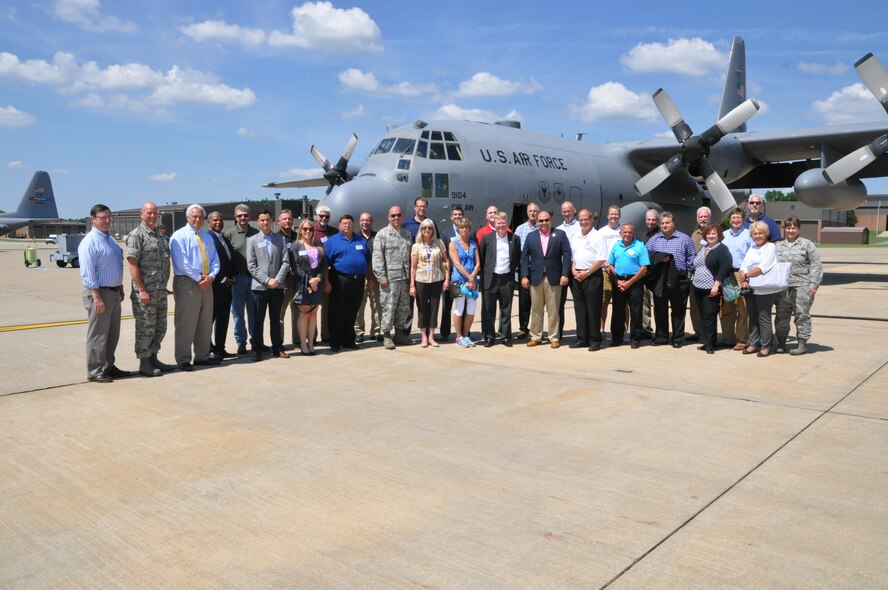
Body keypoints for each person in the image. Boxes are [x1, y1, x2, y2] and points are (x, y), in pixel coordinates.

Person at [79, 204, 130, 383]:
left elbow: (114, 265)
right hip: (99, 293)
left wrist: (120, 287)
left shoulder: (110, 240)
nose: (107, 221)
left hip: (113, 292)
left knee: (112, 334)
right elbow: (87, 272)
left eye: (109, 217)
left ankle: (108, 366)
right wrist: (97, 296)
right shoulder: (89, 242)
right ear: (93, 219)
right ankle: (95, 370)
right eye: (103, 218)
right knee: (98, 334)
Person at [125, 201, 173, 377]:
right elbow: (132, 264)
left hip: (160, 290)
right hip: (145, 292)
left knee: (160, 326)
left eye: (155, 213)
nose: (152, 216)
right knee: (146, 327)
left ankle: (154, 357)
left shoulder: (158, 235)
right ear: (141, 214)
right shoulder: (137, 235)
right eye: (149, 213)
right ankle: (144, 362)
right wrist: (142, 289)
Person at [170, 204, 220, 371]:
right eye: (194, 217)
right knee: (186, 322)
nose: (198, 219)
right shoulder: (179, 236)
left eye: (200, 217)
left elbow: (215, 260)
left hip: (207, 282)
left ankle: (202, 356)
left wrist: (211, 276)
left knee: (205, 321)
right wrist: (199, 278)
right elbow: (182, 262)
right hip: (188, 282)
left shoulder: (207, 237)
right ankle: (183, 358)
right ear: (187, 218)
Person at [521, 210, 572, 348]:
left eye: (546, 220)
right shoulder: (531, 236)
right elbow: (524, 257)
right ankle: (536, 336)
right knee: (536, 309)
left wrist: (565, 274)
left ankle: (553, 337)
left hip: (554, 277)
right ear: (537, 222)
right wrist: (524, 276)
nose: (544, 223)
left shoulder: (560, 234)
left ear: (551, 220)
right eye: (541, 220)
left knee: (553, 309)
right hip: (535, 277)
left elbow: (567, 255)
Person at [646, 211, 696, 348]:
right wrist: (659, 257)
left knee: (678, 310)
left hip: (680, 280)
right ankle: (661, 336)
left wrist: (689, 276)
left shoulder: (685, 239)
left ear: (674, 223)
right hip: (660, 279)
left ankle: (677, 338)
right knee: (660, 309)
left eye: (667, 222)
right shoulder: (654, 239)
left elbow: (692, 258)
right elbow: (646, 255)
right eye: (662, 223)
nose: (664, 225)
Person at [247, 210, 291, 361]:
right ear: (258, 222)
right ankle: (257, 350)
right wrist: (266, 280)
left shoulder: (281, 240)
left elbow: (285, 262)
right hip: (260, 287)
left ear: (272, 221)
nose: (265, 223)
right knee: (258, 320)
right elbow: (251, 265)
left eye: (268, 220)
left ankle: (277, 348)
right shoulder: (252, 240)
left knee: (275, 319)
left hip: (277, 287)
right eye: (262, 220)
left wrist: (277, 279)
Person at [775, 216, 823, 355]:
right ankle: (781, 342)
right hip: (783, 288)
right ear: (784, 229)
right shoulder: (779, 246)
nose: (791, 230)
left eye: (794, 227)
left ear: (799, 229)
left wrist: (814, 286)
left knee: (801, 315)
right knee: (781, 316)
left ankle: (802, 343)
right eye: (788, 227)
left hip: (802, 286)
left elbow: (816, 266)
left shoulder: (807, 245)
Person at [325, 214, 373, 351]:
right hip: (340, 280)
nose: (347, 225)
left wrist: (370, 278)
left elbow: (368, 261)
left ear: (353, 225)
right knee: (336, 312)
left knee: (352, 312)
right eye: (344, 223)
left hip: (358, 281)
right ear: (340, 226)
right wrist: (327, 282)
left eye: (349, 223)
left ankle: (348, 340)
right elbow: (325, 265)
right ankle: (335, 341)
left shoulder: (360, 240)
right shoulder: (332, 241)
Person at [739, 221, 784, 357]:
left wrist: (746, 275)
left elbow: (763, 268)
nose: (757, 236)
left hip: (765, 289)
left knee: (764, 317)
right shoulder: (752, 248)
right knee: (752, 317)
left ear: (766, 234)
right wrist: (743, 278)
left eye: (760, 233)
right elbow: (743, 266)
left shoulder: (770, 247)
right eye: (755, 234)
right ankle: (753, 344)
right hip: (751, 287)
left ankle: (765, 346)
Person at [372, 206, 413, 349]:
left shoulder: (407, 234)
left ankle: (400, 333)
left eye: (398, 215)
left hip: (405, 278)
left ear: (402, 217)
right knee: (389, 307)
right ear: (389, 217)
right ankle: (387, 335)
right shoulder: (382, 235)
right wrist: (381, 276)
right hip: (389, 280)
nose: (396, 218)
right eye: (393, 215)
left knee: (403, 307)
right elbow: (377, 258)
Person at [478, 211, 520, 347]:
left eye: (503, 222)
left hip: (507, 279)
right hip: (491, 279)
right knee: (489, 310)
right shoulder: (486, 238)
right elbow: (482, 258)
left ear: (506, 223)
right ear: (494, 224)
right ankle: (489, 336)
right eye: (498, 223)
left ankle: (505, 336)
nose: (501, 225)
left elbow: (517, 257)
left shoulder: (514, 238)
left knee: (506, 310)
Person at [691, 223, 733, 354]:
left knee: (710, 316)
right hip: (698, 287)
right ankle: (707, 341)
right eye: (708, 234)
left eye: (714, 234)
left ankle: (711, 344)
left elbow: (725, 267)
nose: (711, 236)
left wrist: (716, 285)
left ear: (719, 235)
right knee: (703, 316)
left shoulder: (722, 249)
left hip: (711, 288)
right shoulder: (704, 248)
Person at [569, 209, 608, 351]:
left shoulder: (598, 236)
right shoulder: (575, 237)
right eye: (581, 220)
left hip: (592, 276)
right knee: (580, 310)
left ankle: (595, 340)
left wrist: (587, 273)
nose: (583, 222)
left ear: (591, 220)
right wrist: (573, 270)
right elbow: (573, 258)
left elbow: (601, 259)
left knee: (593, 309)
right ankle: (582, 339)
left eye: (586, 219)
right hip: (577, 277)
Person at [607, 223, 650, 349]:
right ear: (620, 233)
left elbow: (644, 268)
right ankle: (617, 338)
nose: (627, 234)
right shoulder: (616, 246)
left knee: (636, 311)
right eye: (625, 232)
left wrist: (629, 283)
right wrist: (617, 281)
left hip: (635, 281)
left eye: (630, 232)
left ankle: (635, 338)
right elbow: (610, 265)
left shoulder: (640, 246)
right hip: (619, 281)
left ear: (633, 233)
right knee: (617, 311)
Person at [223, 204, 258, 355]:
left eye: (245, 215)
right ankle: (241, 342)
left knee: (254, 313)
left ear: (249, 216)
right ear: (235, 217)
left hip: (254, 279)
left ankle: (255, 341)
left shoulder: (256, 233)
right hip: (237, 280)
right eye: (240, 216)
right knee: (237, 313)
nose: (243, 218)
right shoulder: (228, 234)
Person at [410, 218, 450, 347]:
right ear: (421, 230)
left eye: (430, 228)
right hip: (421, 280)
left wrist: (447, 278)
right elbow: (413, 267)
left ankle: (431, 336)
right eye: (424, 228)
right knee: (422, 309)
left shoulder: (439, 243)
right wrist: (412, 285)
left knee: (434, 308)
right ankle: (423, 337)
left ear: (433, 230)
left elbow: (446, 261)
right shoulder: (416, 246)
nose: (427, 230)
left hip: (436, 280)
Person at [292, 219, 327, 355]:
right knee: (304, 314)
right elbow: (296, 267)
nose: (307, 231)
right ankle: (303, 344)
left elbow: (324, 265)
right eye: (305, 229)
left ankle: (311, 343)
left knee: (313, 314)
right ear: (300, 230)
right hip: (303, 284)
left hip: (317, 284)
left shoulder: (318, 246)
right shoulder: (296, 246)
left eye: (310, 229)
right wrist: (310, 279)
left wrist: (318, 278)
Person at [721, 208, 755, 350]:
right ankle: (727, 338)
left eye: (738, 218)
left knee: (743, 309)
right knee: (727, 308)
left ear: (743, 219)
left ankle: (742, 339)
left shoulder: (749, 235)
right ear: (729, 220)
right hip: (725, 275)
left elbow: (753, 256)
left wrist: (747, 276)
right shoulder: (722, 235)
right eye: (733, 217)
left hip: (741, 274)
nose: (735, 220)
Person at [206, 211, 236, 359]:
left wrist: (232, 277)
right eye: (215, 220)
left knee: (223, 319)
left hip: (227, 286)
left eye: (221, 220)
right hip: (215, 286)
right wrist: (222, 279)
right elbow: (209, 262)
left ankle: (220, 348)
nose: (219, 222)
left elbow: (229, 260)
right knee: (209, 319)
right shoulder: (208, 238)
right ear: (209, 222)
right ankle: (208, 348)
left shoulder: (223, 238)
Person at [449, 218, 480, 348]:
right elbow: (457, 264)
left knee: (471, 309)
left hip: (472, 280)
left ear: (469, 229)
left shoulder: (473, 244)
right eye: (461, 228)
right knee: (459, 309)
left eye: (466, 228)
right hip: (459, 280)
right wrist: (468, 278)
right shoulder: (453, 244)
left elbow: (478, 263)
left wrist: (472, 277)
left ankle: (466, 335)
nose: (463, 230)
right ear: (458, 229)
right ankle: (459, 337)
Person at [437, 206, 465, 341]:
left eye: (460, 214)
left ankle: (465, 331)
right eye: (455, 215)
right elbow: (443, 255)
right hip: (450, 273)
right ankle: (445, 332)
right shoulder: (445, 233)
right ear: (451, 217)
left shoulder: (467, 233)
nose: (457, 216)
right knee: (446, 306)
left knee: (463, 304)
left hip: (464, 274)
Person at [514, 202, 540, 339]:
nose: (533, 213)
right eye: (530, 211)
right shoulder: (520, 229)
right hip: (524, 268)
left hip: (538, 269)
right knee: (524, 301)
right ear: (527, 213)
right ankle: (523, 328)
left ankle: (537, 329)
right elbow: (516, 251)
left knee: (537, 300)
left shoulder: (542, 228)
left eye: (535, 211)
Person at [686, 206, 712, 342]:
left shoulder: (715, 233)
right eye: (701, 217)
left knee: (708, 307)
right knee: (695, 305)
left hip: (710, 275)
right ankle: (698, 332)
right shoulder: (694, 234)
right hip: (695, 275)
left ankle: (708, 333)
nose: (703, 219)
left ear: (709, 218)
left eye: (705, 216)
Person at [354, 212, 381, 343]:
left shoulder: (378, 237)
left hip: (376, 277)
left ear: (372, 221)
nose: (365, 223)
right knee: (359, 305)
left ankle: (376, 331)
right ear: (359, 222)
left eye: (368, 220)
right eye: (362, 220)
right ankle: (358, 331)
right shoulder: (355, 238)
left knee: (377, 306)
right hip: (360, 277)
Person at [313, 205, 338, 343]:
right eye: (321, 216)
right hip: (315, 275)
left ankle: (326, 335)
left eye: (326, 216)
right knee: (313, 306)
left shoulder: (334, 232)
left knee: (327, 307)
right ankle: (312, 335)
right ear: (316, 216)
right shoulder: (311, 231)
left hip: (330, 274)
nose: (323, 218)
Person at [556, 200, 580, 339]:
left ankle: (581, 333)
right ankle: (558, 333)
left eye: (569, 211)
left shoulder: (580, 227)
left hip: (577, 269)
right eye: (564, 211)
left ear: (574, 210)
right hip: (563, 270)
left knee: (579, 303)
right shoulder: (559, 230)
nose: (566, 214)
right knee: (559, 303)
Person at [598, 205, 622, 335]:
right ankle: (601, 329)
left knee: (622, 304)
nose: (614, 216)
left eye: (616, 214)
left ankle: (623, 330)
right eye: (611, 214)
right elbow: (598, 251)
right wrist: (606, 263)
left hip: (621, 272)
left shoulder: (623, 231)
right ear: (607, 216)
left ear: (619, 216)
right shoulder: (601, 232)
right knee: (603, 302)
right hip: (605, 271)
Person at [277, 209, 299, 347]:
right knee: (280, 314)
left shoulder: (298, 237)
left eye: (289, 219)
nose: (287, 221)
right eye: (284, 219)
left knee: (297, 311)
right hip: (282, 281)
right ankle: (279, 342)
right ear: (279, 221)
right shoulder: (275, 238)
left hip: (297, 280)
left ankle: (297, 339)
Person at [641, 208, 660, 337]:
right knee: (644, 305)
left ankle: (661, 331)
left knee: (658, 304)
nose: (651, 222)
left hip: (657, 276)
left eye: (653, 219)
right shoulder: (643, 235)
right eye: (649, 219)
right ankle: (645, 330)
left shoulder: (661, 236)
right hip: (644, 275)